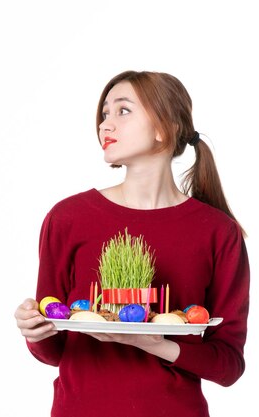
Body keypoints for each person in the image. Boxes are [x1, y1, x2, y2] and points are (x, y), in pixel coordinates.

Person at [14, 70, 250, 417]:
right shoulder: (67, 218)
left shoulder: (217, 231)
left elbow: (228, 366)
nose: (105, 125)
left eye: (123, 111)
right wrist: (35, 330)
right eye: (104, 114)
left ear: (163, 128)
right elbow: (54, 352)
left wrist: (156, 344)